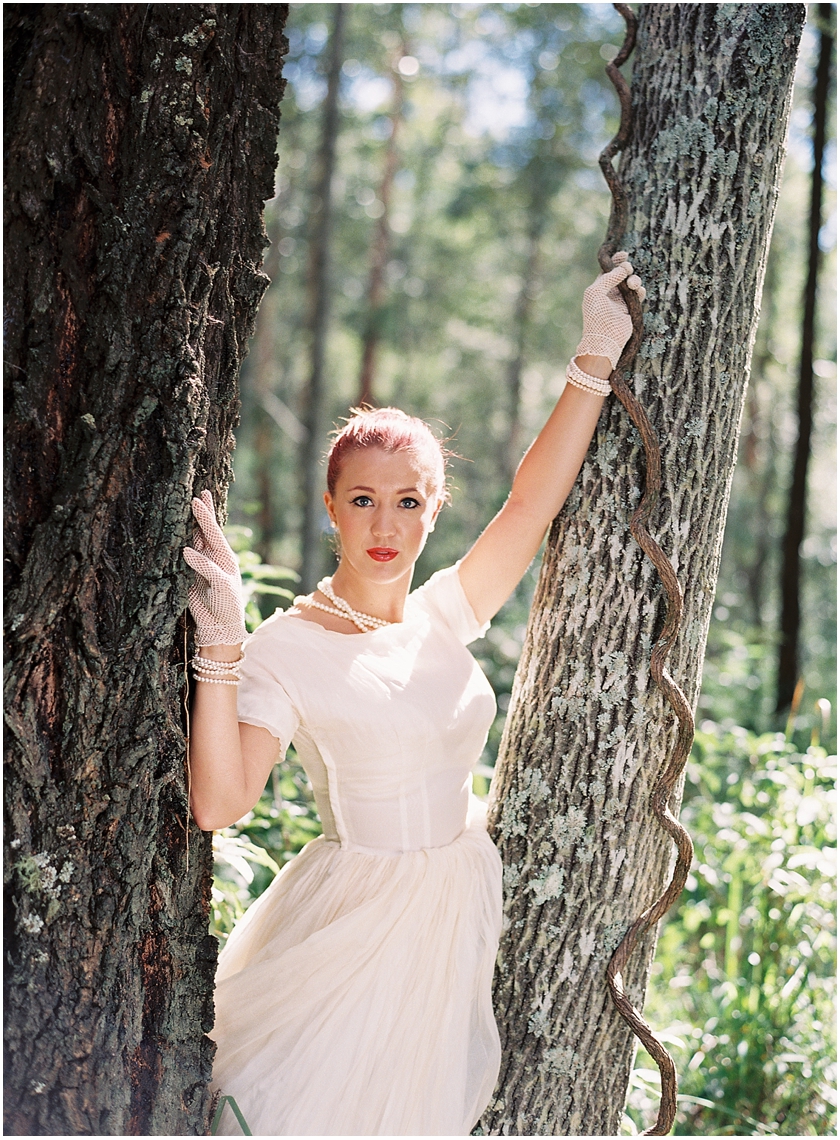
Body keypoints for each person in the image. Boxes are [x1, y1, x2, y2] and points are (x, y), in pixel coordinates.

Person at [183, 254, 645, 1136]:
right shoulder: (287, 648)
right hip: (356, 929)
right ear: (331, 506)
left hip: (453, 907)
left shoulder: (444, 616)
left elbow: (528, 509)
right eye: (363, 500)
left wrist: (593, 357)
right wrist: (221, 648)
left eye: (407, 502)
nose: (384, 525)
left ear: (434, 510)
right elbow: (219, 801)